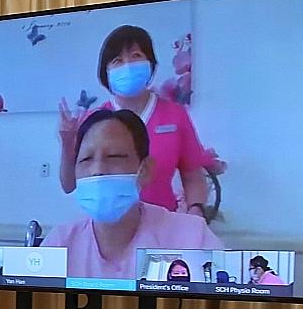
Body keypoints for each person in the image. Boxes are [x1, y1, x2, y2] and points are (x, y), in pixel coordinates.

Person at [45, 109, 223, 281]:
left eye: (114, 157)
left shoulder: (192, 237)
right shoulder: (61, 242)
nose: (97, 171)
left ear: (145, 170)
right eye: (86, 159)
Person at [58, 25, 213, 219]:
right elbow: (69, 185)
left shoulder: (175, 114)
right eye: (117, 60)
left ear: (150, 64)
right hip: (108, 229)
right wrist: (67, 144)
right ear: (105, 72)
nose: (128, 65)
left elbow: (192, 175)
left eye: (136, 56)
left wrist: (195, 213)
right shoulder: (95, 120)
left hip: (163, 227)